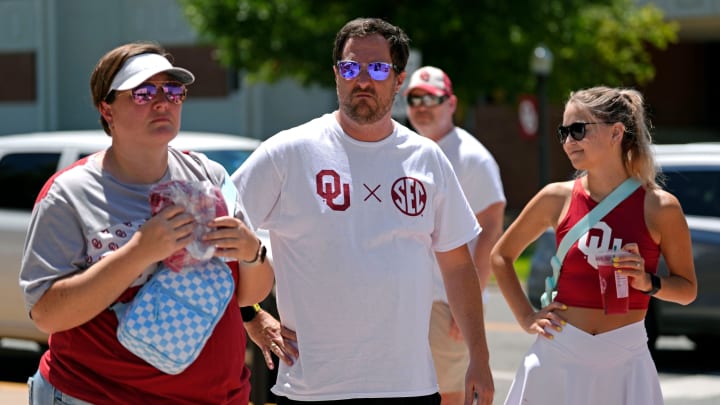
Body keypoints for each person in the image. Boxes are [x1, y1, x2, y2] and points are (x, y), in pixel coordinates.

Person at [231, 17, 494, 405]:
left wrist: (480, 358)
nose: (363, 80)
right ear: (336, 74)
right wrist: (250, 314)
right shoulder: (288, 153)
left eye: (378, 68)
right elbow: (223, 233)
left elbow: (457, 266)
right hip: (312, 389)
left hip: (409, 387)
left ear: (398, 79)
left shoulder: (426, 159)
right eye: (350, 67)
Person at [19, 41, 274, 404]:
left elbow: (250, 294)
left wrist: (252, 252)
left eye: (172, 91)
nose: (161, 102)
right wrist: (139, 252)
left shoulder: (211, 177)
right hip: (97, 396)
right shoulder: (69, 193)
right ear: (106, 109)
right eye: (142, 93)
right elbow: (46, 314)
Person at [490, 86, 697, 405]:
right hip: (559, 356)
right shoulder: (554, 197)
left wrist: (648, 283)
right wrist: (526, 317)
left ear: (616, 133)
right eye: (564, 132)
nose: (569, 141)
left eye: (578, 130)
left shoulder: (660, 207)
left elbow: (687, 290)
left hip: (625, 360)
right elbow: (502, 257)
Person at [405, 66, 506, 405]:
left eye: (432, 98)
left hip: (445, 302)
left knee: (447, 393)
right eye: (414, 98)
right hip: (406, 298)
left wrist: (468, 306)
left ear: (451, 103)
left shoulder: (471, 157)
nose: (422, 105)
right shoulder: (404, 150)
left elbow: (491, 228)